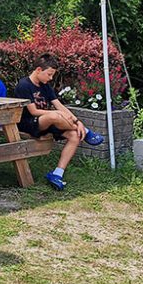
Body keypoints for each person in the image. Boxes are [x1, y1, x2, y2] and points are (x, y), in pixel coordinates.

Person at [14, 54, 104, 191]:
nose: (50, 78)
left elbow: (59, 106)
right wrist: (57, 114)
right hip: (28, 123)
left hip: (47, 122)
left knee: (75, 136)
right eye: (49, 74)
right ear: (38, 69)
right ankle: (87, 132)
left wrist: (77, 121)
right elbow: (33, 112)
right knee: (54, 117)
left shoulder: (45, 86)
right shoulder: (24, 85)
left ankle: (57, 174)